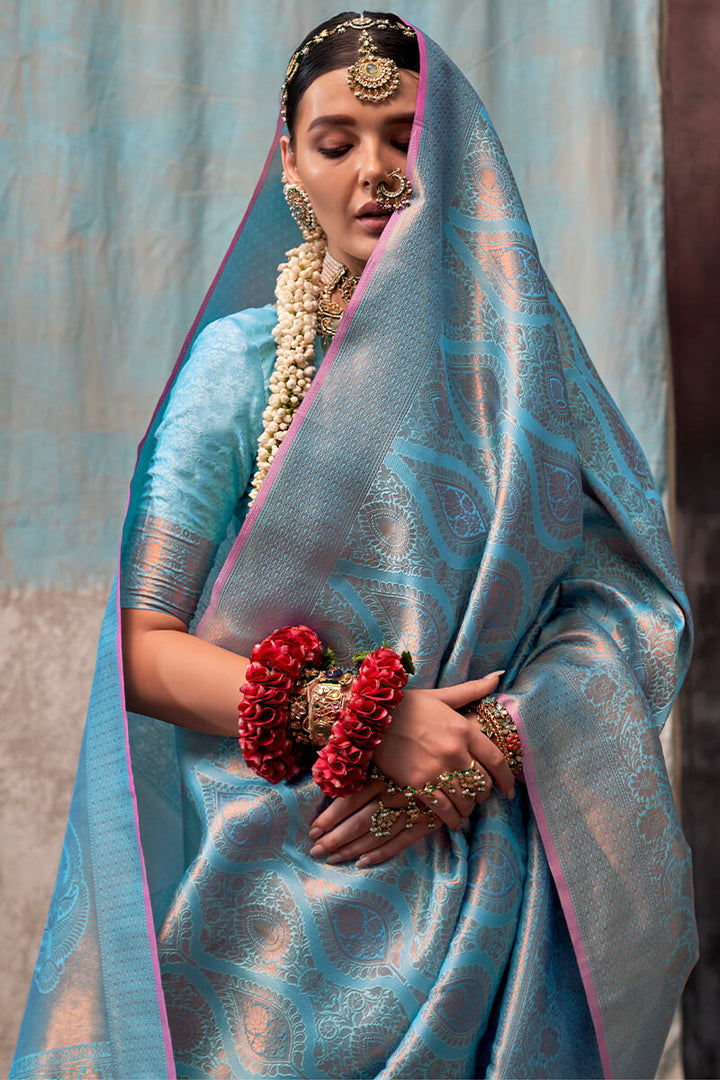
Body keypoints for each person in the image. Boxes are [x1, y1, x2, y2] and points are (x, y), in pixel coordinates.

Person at [11, 11, 696, 1080]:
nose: (376, 171)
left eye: (403, 137)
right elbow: (140, 651)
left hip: (490, 895)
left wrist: (497, 744)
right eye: (338, 141)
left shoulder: (523, 374)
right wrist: (362, 721)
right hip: (275, 908)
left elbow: (631, 606)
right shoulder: (236, 371)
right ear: (290, 159)